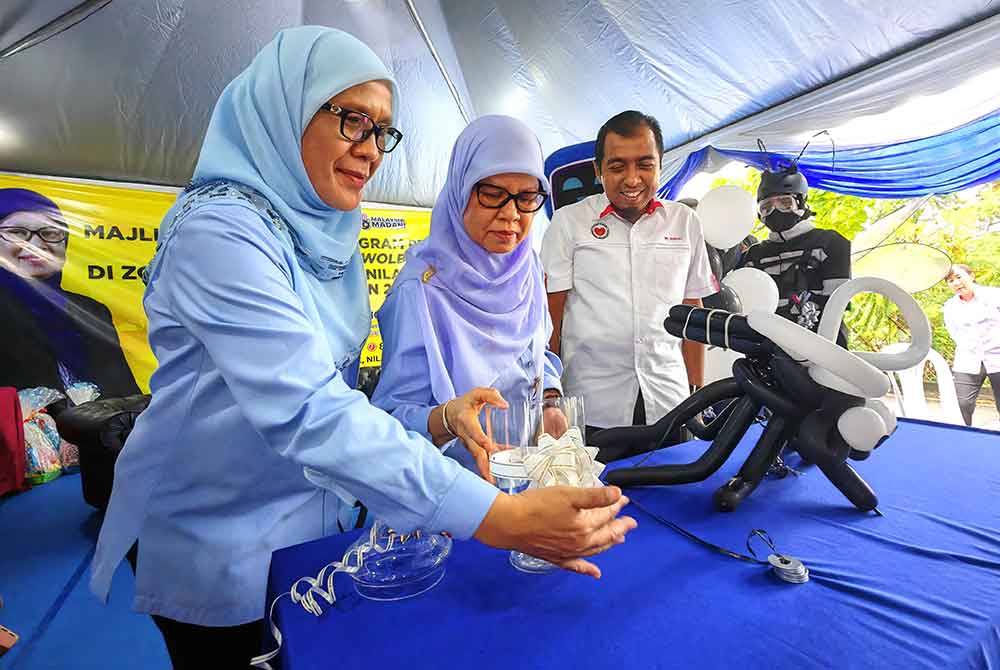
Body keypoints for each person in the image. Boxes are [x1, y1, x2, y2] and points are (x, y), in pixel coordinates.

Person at [89, 27, 635, 668]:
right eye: (352, 120)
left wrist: (449, 418)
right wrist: (499, 517)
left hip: (320, 530)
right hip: (224, 539)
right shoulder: (221, 234)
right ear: (283, 108)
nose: (372, 149)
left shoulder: (323, 233)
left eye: (383, 131)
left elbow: (352, 398)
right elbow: (310, 410)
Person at [372, 115, 562, 480]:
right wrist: (446, 419)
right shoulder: (422, 291)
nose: (511, 215)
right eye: (492, 194)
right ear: (461, 190)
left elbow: (539, 356)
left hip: (527, 485)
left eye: (526, 198)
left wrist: (550, 400)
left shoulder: (528, 271)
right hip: (451, 499)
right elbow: (390, 418)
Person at [540, 110, 717, 438]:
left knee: (675, 486)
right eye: (617, 166)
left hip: (670, 400)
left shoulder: (685, 222)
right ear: (599, 170)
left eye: (645, 164)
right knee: (599, 490)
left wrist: (697, 392)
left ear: (660, 164)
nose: (632, 179)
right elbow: (552, 316)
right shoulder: (568, 223)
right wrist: (549, 397)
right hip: (591, 405)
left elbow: (692, 310)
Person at [0, 188, 140, 397]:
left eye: (50, 233)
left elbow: (123, 390)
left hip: (102, 427)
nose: (37, 245)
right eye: (17, 233)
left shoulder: (90, 310)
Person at [737, 166, 851, 345]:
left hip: (824, 349)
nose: (776, 211)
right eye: (766, 207)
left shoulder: (831, 242)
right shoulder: (753, 255)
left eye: (785, 203)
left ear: (801, 203)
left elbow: (837, 306)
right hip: (768, 351)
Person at [942, 263, 1000, 426]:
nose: (956, 283)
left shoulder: (995, 296)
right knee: (962, 404)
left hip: (997, 355)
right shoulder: (950, 306)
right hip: (968, 357)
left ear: (971, 276)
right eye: (950, 280)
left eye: (959, 277)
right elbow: (954, 332)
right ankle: (964, 437)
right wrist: (969, 346)